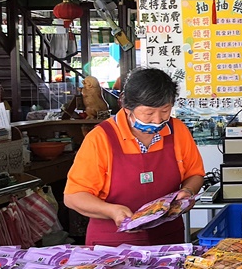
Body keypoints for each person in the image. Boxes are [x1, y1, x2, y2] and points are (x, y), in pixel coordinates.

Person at [65, 67, 205, 246]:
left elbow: (195, 173)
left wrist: (189, 191)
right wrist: (111, 211)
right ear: (127, 106)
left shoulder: (177, 130)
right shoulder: (101, 137)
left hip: (167, 240)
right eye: (148, 113)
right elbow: (73, 196)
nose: (157, 120)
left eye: (165, 111)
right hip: (111, 243)